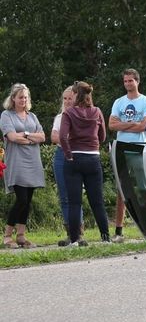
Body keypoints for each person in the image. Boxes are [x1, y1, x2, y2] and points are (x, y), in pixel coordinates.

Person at [59, 81, 111, 246]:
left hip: (74, 158)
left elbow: (62, 136)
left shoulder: (69, 113)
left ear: (75, 94)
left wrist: (68, 154)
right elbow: (102, 136)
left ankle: (74, 240)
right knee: (97, 201)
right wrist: (94, 143)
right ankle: (105, 238)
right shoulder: (97, 112)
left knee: (75, 202)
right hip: (92, 158)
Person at [108, 68, 146, 243]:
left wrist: (123, 124)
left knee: (143, 188)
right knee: (122, 190)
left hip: (138, 148)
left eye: (130, 81)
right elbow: (111, 125)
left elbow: (144, 126)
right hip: (121, 148)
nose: (127, 84)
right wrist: (132, 124)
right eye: (125, 81)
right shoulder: (119, 102)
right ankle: (119, 231)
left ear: (137, 81)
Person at [2, 83, 47, 249]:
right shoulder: (7, 115)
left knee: (28, 200)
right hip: (17, 162)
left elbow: (42, 137)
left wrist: (26, 135)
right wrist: (29, 139)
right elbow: (12, 137)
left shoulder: (32, 116)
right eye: (20, 97)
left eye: (26, 97)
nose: (23, 100)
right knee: (21, 199)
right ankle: (7, 236)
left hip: (33, 162)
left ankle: (21, 235)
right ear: (13, 98)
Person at [51, 85, 85, 245]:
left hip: (77, 155)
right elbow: (54, 137)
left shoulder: (81, 115)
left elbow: (83, 136)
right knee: (64, 196)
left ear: (77, 99)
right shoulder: (60, 117)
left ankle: (79, 232)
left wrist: (65, 138)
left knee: (76, 195)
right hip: (61, 155)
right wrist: (67, 139)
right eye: (64, 98)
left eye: (69, 98)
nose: (66, 101)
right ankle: (70, 233)